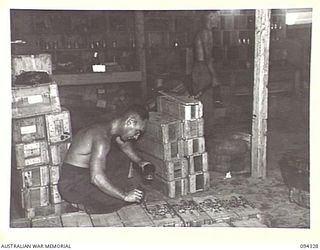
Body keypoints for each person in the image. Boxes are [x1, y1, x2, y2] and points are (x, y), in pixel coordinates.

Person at [58, 105, 154, 214]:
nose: (136, 137)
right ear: (130, 122)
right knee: (116, 200)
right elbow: (96, 178)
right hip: (72, 184)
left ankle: (106, 195)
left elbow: (125, 145)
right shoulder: (101, 138)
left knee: (122, 167)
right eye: (137, 132)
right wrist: (125, 196)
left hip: (84, 174)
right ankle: (80, 205)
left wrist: (140, 162)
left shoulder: (108, 128)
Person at [192, 11, 223, 132]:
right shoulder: (206, 33)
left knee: (204, 101)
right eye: (217, 16)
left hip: (200, 68)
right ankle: (205, 134)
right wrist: (214, 76)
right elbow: (208, 57)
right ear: (210, 16)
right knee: (206, 103)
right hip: (202, 69)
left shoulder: (204, 32)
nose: (218, 20)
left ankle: (203, 132)